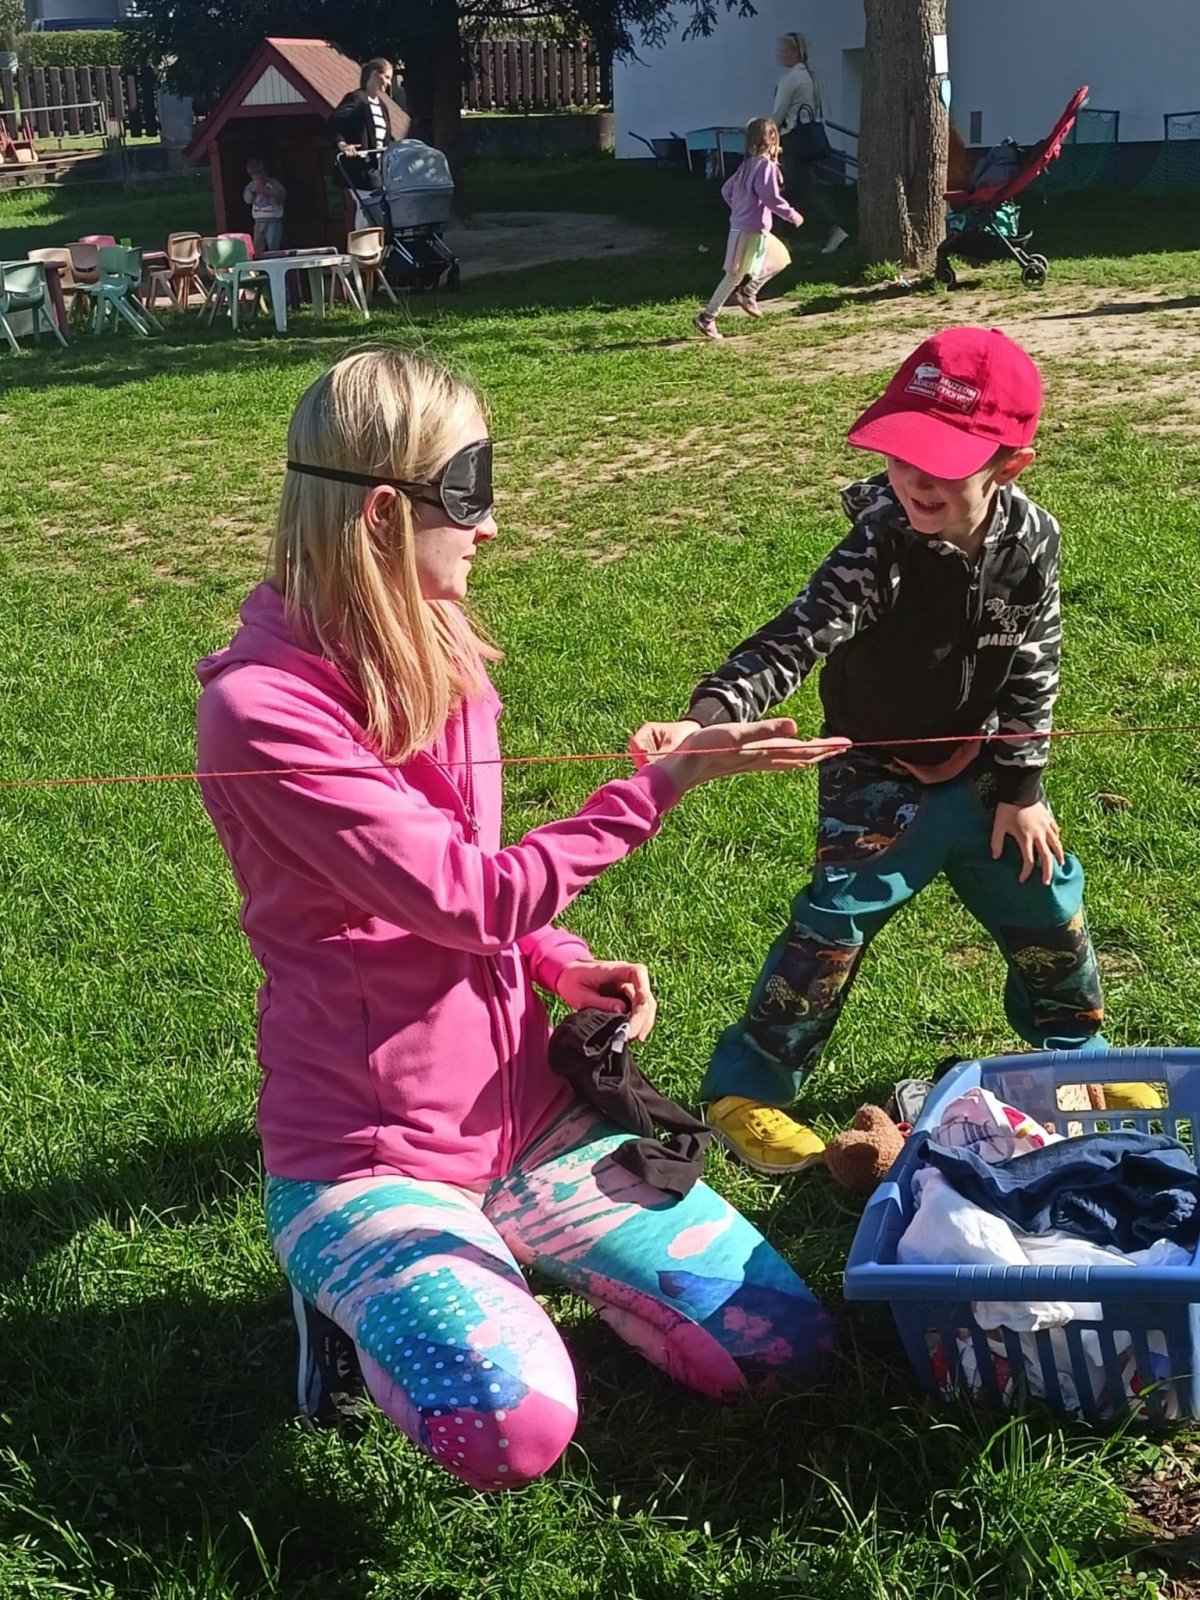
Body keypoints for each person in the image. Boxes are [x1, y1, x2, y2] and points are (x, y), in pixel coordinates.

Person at [195, 349, 840, 1491]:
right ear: (383, 513)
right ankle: (348, 1297)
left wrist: (559, 961)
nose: (490, 524)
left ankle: (497, 1259)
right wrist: (657, 789)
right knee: (509, 1426)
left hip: (524, 1116)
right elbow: (469, 898)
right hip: (369, 1158)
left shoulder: (436, 638)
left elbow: (471, 878)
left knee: (785, 1351)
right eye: (470, 490)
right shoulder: (260, 714)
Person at [631, 325, 1139, 1177]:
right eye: (902, 454)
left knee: (1047, 901)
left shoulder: (1034, 541)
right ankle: (747, 1089)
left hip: (985, 768)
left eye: (943, 463)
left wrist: (1023, 787)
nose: (914, 479)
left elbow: (1035, 661)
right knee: (831, 928)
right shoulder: (878, 545)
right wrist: (707, 716)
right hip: (871, 773)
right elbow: (792, 639)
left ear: (1010, 465)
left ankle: (1072, 1060)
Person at [695, 117, 801, 341]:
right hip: (751, 230)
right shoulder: (766, 166)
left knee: (779, 258)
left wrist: (739, 209)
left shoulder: (746, 166)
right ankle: (709, 316)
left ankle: (748, 292)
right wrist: (791, 215)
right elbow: (770, 197)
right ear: (772, 138)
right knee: (734, 275)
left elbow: (726, 190)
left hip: (743, 227)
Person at [772, 31, 848, 256]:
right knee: (798, 188)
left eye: (785, 50)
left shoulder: (791, 79)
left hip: (791, 138)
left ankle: (830, 228)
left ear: (796, 52)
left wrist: (765, 136)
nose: (781, 54)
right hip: (804, 138)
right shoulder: (808, 78)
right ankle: (784, 237)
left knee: (792, 189)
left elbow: (779, 113)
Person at [331, 56, 409, 205]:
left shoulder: (382, 106)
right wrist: (342, 144)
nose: (388, 83)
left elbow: (386, 139)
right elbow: (334, 122)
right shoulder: (356, 99)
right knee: (369, 208)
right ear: (374, 74)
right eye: (386, 77)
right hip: (360, 171)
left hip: (376, 171)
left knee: (376, 207)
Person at [243, 159, 286, 256]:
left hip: (273, 219)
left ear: (266, 173)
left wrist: (268, 192)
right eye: (253, 175)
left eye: (259, 174)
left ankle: (274, 260)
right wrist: (253, 192)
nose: (257, 178)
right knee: (258, 244)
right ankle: (259, 261)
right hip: (258, 219)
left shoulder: (274, 184)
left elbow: (282, 196)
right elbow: (248, 200)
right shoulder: (251, 186)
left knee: (273, 243)